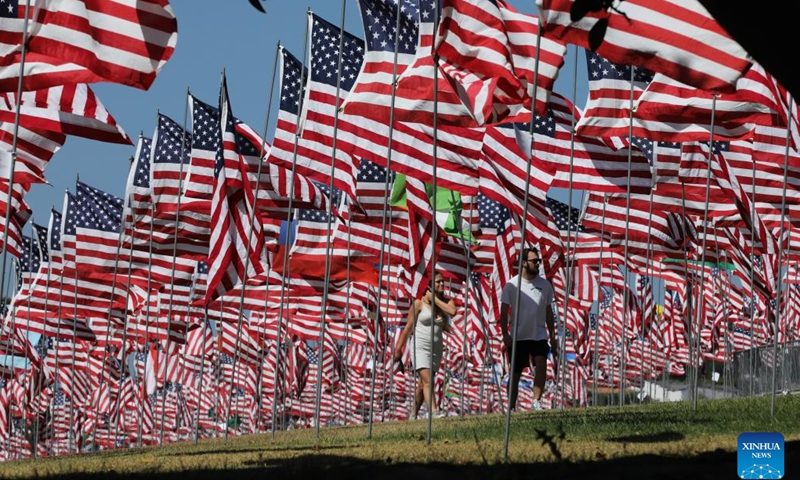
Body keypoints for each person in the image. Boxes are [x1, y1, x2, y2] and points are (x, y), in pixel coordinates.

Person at [499, 247, 557, 411]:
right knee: (515, 373)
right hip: (518, 336)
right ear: (524, 263)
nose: (538, 264)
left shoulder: (544, 285)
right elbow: (504, 312)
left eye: (538, 261)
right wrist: (505, 334)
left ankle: (536, 402)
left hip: (539, 335)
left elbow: (548, 311)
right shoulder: (511, 285)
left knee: (541, 364)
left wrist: (552, 335)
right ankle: (510, 408)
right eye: (534, 261)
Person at [393, 271, 456, 419]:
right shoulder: (419, 304)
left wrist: (434, 299)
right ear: (429, 286)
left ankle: (413, 413)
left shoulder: (446, 302)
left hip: (436, 349)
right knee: (428, 381)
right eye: (438, 282)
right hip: (420, 346)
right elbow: (408, 327)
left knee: (423, 384)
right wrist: (398, 349)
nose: (441, 284)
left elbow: (453, 311)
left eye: (442, 282)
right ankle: (434, 412)